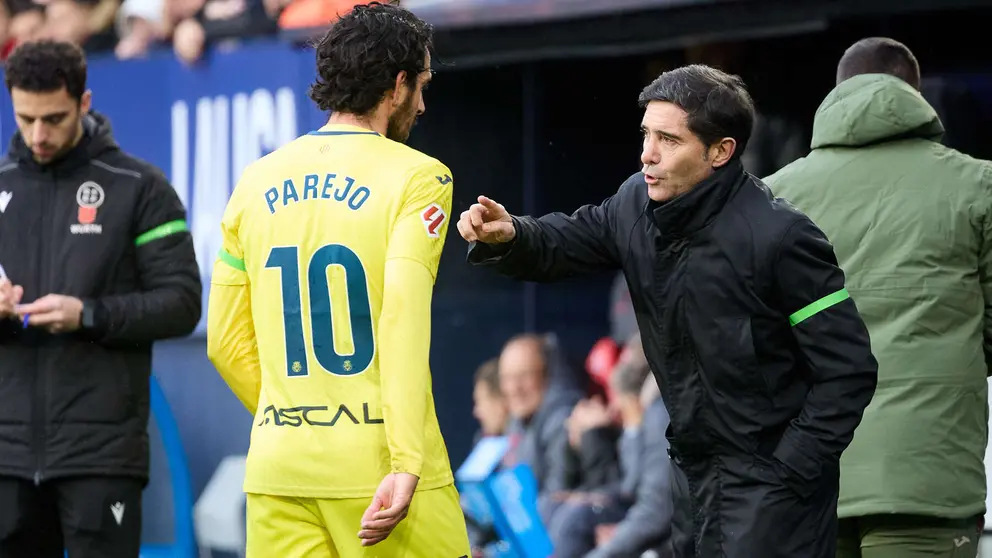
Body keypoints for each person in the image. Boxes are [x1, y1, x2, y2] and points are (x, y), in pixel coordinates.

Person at [457, 64, 879, 557]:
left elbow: (848, 372)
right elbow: (572, 238)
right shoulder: (636, 201)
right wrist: (514, 235)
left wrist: (788, 470)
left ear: (721, 151)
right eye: (646, 134)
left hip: (772, 490)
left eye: (668, 140)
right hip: (689, 477)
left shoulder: (782, 238)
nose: (647, 155)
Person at [205, 3, 471, 557]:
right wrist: (405, 459)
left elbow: (225, 345)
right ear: (397, 85)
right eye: (421, 85)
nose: (422, 104)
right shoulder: (420, 177)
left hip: (280, 469)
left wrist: (298, 422)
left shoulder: (254, 181)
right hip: (381, 473)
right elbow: (400, 317)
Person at [766, 37, 992, 558]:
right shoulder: (977, 186)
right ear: (913, 95)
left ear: (838, 94)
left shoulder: (771, 197)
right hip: (927, 475)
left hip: (804, 479)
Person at [0, 40, 201, 558]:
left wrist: (86, 314)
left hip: (101, 455)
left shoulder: (140, 187)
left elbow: (182, 303)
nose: (38, 135)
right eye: (26, 118)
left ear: (84, 103)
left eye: (54, 118)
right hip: (6, 456)